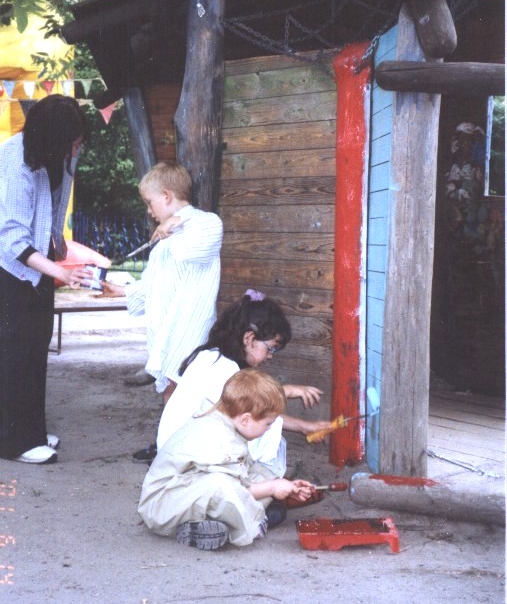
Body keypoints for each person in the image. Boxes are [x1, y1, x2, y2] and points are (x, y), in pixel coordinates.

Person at [0, 95, 92, 464]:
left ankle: (30, 431)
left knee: (35, 350)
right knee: (14, 355)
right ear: (52, 139)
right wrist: (60, 272)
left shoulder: (63, 154)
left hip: (38, 266)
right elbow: (11, 239)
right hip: (10, 269)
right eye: (72, 143)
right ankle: (14, 442)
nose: (77, 149)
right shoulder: (15, 163)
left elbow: (56, 200)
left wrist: (57, 238)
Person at [154, 291, 330, 477]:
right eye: (270, 349)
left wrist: (305, 427)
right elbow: (255, 410)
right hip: (183, 464)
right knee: (257, 437)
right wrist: (288, 390)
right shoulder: (221, 367)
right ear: (249, 339)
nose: (270, 356)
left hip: (177, 454)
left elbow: (258, 414)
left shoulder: (214, 357)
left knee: (256, 427)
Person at [138, 368, 315, 550]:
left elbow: (245, 473)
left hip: (187, 489)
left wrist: (282, 484)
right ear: (246, 419)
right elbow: (233, 487)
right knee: (222, 486)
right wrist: (272, 488)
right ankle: (240, 524)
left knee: (262, 475)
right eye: (267, 424)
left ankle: (209, 527)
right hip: (163, 505)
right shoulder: (219, 439)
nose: (269, 429)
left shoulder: (225, 418)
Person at [101, 162, 223, 405]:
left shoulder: (206, 223)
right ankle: (169, 442)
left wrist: (176, 222)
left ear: (167, 196)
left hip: (190, 331)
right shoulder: (163, 241)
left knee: (183, 395)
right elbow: (153, 285)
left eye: (149, 202)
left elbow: (194, 248)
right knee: (172, 393)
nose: (148, 210)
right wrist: (121, 291)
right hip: (169, 333)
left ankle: (172, 442)